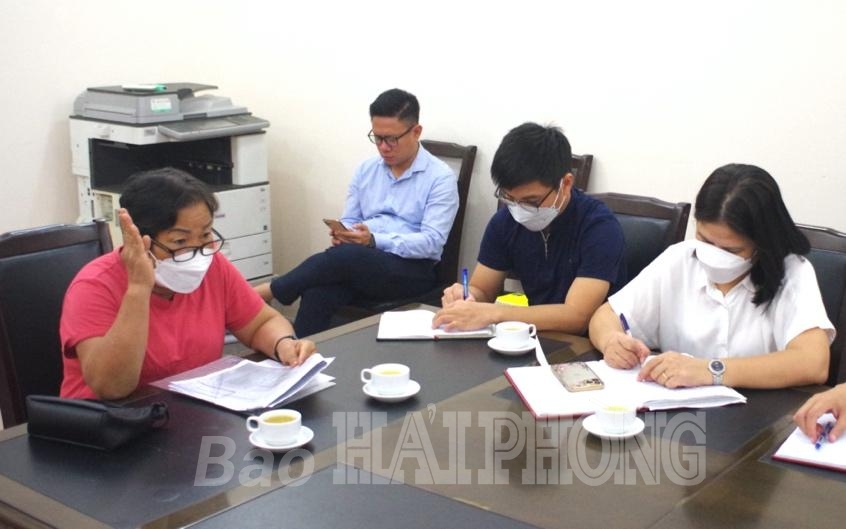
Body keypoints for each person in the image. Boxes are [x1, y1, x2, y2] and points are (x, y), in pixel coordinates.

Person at [60, 168, 316, 400]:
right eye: (180, 242)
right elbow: (111, 387)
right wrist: (138, 289)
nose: (197, 252)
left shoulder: (213, 265)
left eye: (205, 234)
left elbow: (260, 323)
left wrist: (283, 343)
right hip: (113, 422)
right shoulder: (94, 286)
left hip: (190, 409)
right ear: (139, 241)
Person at [589, 163, 834, 389]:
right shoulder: (680, 258)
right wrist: (612, 340)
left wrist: (711, 370)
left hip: (761, 415)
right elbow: (606, 315)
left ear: (762, 243)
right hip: (680, 413)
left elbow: (813, 362)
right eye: (705, 240)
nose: (715, 256)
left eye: (731, 250)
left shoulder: (791, 272)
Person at [255, 88, 458, 337]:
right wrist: (346, 233)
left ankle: (268, 292)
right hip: (361, 264)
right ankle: (298, 354)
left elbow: (432, 242)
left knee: (346, 257)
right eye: (377, 138)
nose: (383, 147)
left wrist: (373, 241)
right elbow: (351, 218)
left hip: (413, 270)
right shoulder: (366, 170)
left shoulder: (440, 178)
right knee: (318, 291)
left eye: (391, 139)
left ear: (416, 132)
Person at [434, 122, 626, 334]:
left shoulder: (599, 227)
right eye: (509, 198)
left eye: (531, 201)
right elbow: (482, 289)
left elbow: (577, 316)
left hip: (593, 342)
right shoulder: (504, 222)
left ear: (566, 183)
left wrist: (494, 313)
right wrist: (467, 297)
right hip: (534, 336)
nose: (520, 210)